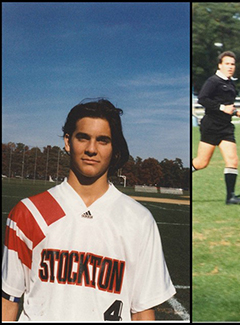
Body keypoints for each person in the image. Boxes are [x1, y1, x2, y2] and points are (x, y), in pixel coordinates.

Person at [1, 99, 176, 321]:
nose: (91, 149)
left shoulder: (139, 220)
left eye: (103, 141)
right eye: (83, 137)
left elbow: (142, 311)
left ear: (114, 149)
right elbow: (9, 299)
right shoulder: (28, 213)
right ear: (67, 141)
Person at [192, 51, 240, 205]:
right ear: (220, 65)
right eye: (227, 64)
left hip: (226, 127)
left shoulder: (230, 82)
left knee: (233, 160)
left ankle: (230, 197)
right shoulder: (213, 81)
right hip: (211, 126)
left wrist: (237, 112)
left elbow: (228, 106)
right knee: (201, 163)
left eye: (232, 64)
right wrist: (222, 108)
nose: (230, 67)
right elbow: (202, 99)